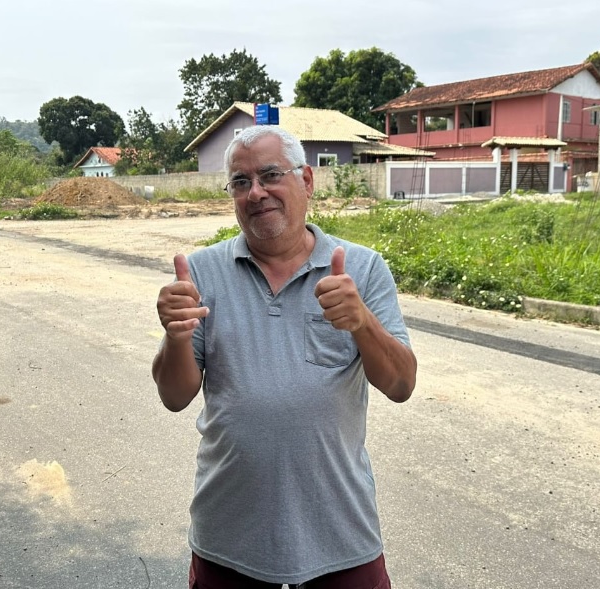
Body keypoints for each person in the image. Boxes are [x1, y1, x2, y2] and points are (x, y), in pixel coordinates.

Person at [152, 125, 417, 588]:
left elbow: (401, 385)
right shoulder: (201, 272)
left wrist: (362, 322)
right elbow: (175, 396)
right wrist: (176, 335)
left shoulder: (362, 268)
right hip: (229, 537)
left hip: (341, 538)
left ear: (307, 181)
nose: (256, 192)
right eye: (240, 181)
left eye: (271, 175)